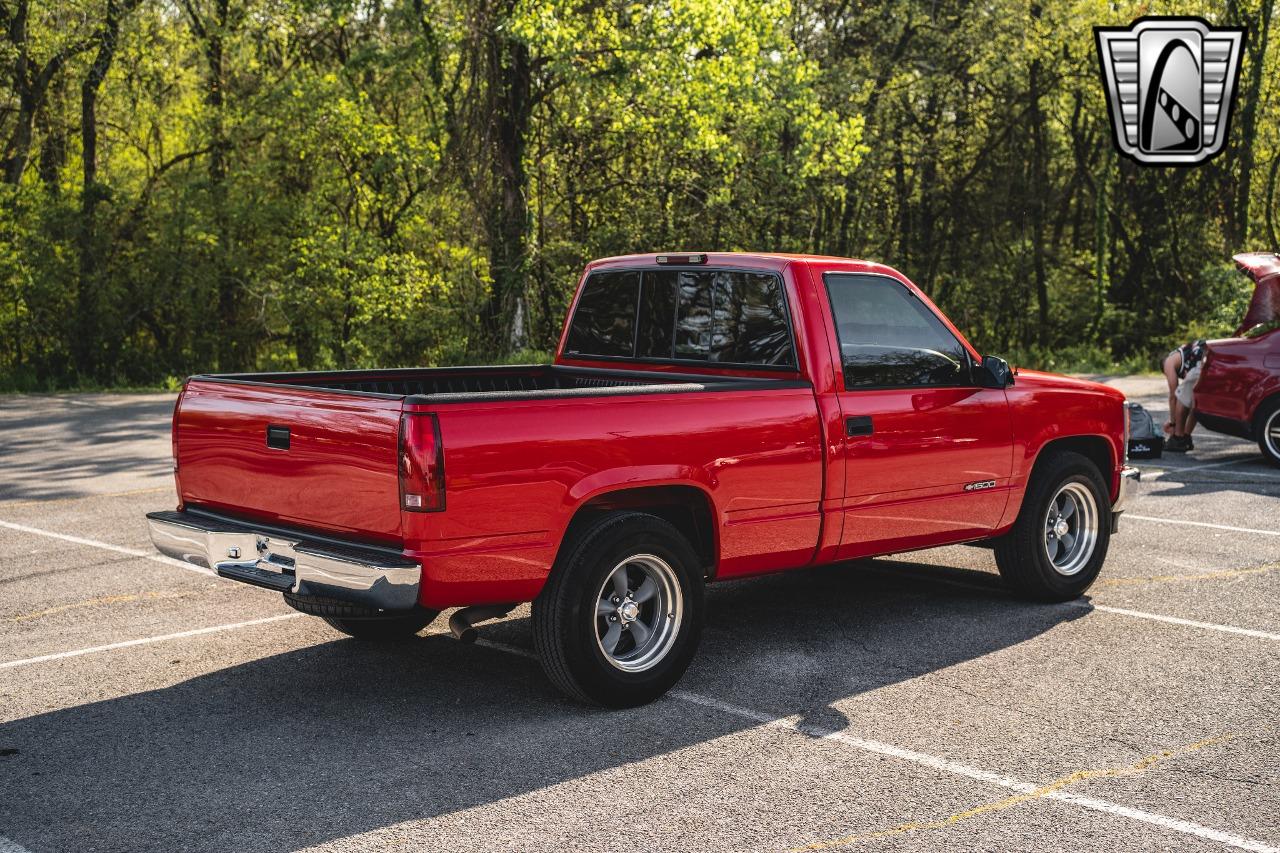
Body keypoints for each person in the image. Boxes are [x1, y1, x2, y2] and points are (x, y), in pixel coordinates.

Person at [1162, 339, 1206, 452]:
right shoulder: (1185, 353)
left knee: (1181, 397)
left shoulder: (1168, 361)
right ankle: (1186, 437)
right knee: (1195, 401)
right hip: (1210, 362)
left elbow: (1173, 394)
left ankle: (1177, 439)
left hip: (1199, 364)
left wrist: (1172, 423)